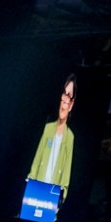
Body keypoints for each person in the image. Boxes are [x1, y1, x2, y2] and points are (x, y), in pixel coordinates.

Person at [27, 74, 76, 202]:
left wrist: (62, 193)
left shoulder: (70, 137)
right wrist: (31, 182)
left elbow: (66, 169)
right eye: (64, 94)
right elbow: (37, 158)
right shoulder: (48, 128)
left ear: (71, 104)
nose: (65, 99)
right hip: (37, 189)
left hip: (52, 194)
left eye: (69, 95)